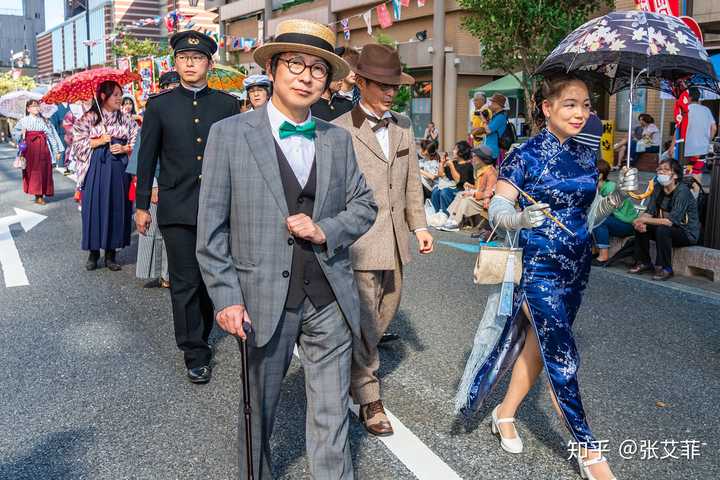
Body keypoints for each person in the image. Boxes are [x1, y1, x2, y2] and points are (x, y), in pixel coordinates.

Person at [196, 19, 377, 479]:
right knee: (259, 412)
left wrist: (324, 229)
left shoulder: (338, 138)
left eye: (318, 68)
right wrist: (227, 297)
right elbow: (211, 230)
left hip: (329, 298)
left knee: (332, 414)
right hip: (259, 299)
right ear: (273, 69)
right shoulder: (230, 134)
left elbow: (364, 205)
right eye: (295, 63)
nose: (306, 75)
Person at [470, 73, 638, 480]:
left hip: (577, 266)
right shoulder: (524, 154)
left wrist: (619, 196)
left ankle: (505, 413)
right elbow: (497, 211)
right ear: (547, 109)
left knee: (540, 347)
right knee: (562, 355)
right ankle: (589, 450)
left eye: (585, 105)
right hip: (538, 267)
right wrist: (520, 218)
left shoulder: (585, 154)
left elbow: (590, 214)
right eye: (570, 104)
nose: (581, 113)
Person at [334, 42, 433, 437]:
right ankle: (369, 394)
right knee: (365, 322)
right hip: (357, 242)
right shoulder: (339, 130)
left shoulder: (405, 125)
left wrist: (420, 226)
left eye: (394, 84)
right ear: (360, 82)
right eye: (381, 84)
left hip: (395, 242)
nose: (390, 91)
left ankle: (344, 369)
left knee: (382, 315)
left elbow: (411, 183)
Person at [135, 30, 241, 384]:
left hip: (219, 207)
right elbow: (147, 157)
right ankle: (194, 350)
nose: (190, 63)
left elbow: (238, 159)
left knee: (211, 279)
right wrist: (141, 206)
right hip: (176, 207)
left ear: (209, 63)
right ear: (175, 62)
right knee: (184, 282)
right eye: (184, 58)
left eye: (197, 58)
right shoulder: (158, 105)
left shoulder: (227, 105)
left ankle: (204, 329)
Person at [72, 81, 138, 270]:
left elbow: (136, 137)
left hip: (119, 165)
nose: (119, 98)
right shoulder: (89, 117)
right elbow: (76, 144)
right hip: (96, 165)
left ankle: (111, 253)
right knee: (94, 207)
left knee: (117, 206)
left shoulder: (125, 118)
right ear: (103, 96)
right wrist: (99, 140)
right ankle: (93, 252)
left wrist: (125, 147)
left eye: (120, 94)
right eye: (115, 95)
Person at [126, 75, 181, 289]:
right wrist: (153, 185)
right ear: (163, 89)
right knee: (156, 229)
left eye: (177, 86)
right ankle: (162, 273)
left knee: (176, 233)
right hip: (159, 180)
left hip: (183, 183)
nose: (174, 90)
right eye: (170, 87)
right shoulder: (155, 111)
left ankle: (171, 273)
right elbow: (144, 154)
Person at [629, 159, 700, 281]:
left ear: (676, 175)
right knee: (640, 226)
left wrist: (644, 220)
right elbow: (649, 212)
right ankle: (644, 262)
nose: (661, 172)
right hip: (667, 228)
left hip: (686, 233)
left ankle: (666, 268)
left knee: (663, 229)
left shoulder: (682, 191)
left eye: (666, 170)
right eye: (660, 169)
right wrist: (639, 220)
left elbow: (670, 221)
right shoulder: (657, 188)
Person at [12, 100, 64, 205]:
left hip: (43, 148)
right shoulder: (23, 121)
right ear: (28, 109)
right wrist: (21, 133)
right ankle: (38, 195)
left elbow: (51, 136)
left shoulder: (44, 121)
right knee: (33, 172)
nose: (36, 108)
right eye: (33, 106)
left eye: (37, 106)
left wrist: (56, 151)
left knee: (44, 171)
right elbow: (14, 133)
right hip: (29, 150)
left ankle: (41, 194)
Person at [439, 145, 498, 233]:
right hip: (479, 198)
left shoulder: (490, 172)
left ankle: (455, 222)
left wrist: (472, 193)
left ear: (482, 159)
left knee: (466, 200)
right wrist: (471, 186)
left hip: (485, 201)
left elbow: (488, 193)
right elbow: (479, 188)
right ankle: (451, 218)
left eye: (475, 156)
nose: (472, 158)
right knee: (460, 194)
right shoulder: (481, 169)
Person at [591, 160, 639, 266]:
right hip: (616, 220)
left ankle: (603, 255)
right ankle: (594, 251)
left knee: (598, 220)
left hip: (628, 224)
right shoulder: (596, 189)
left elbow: (609, 209)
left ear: (599, 176)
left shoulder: (610, 188)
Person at [430, 140, 474, 215]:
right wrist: (442, 162)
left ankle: (447, 215)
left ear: (461, 152)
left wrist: (451, 165)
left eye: (455, 149)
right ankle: (437, 214)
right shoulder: (454, 162)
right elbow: (441, 174)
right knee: (435, 191)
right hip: (451, 187)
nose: (453, 151)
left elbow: (458, 180)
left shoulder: (468, 166)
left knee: (445, 192)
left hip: (461, 190)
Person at [684, 87, 717, 177]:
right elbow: (714, 128)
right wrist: (707, 140)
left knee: (687, 171)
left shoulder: (685, 109)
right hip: (702, 148)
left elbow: (679, 129)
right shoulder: (706, 110)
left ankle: (687, 190)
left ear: (689, 97)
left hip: (687, 147)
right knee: (697, 172)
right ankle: (695, 190)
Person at [483, 93, 508, 161]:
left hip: (492, 151)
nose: (490, 105)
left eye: (492, 103)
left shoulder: (500, 117)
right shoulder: (496, 116)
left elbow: (488, 130)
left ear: (497, 105)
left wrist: (484, 121)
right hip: (489, 149)